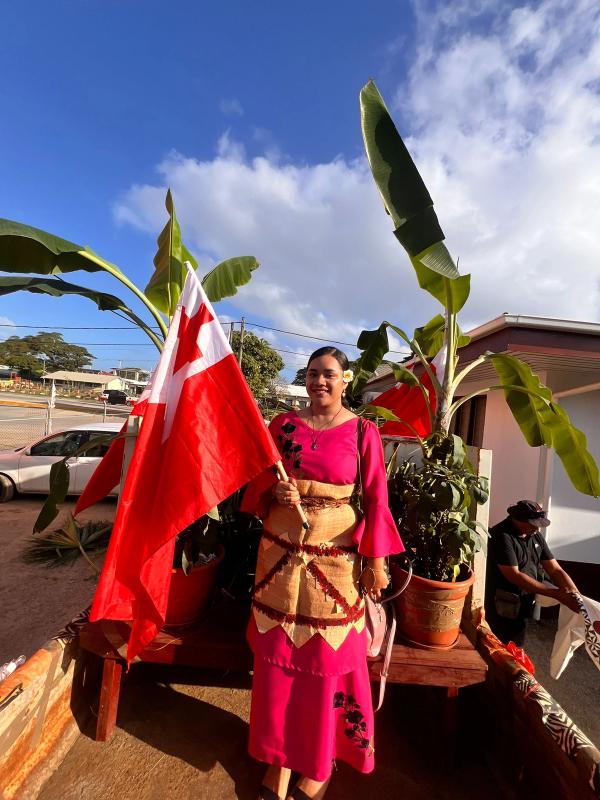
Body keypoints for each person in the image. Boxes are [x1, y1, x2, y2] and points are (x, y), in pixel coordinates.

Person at [241, 346, 404, 800]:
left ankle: (317, 763)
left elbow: (375, 498)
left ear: (346, 379)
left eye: (329, 374)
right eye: (313, 374)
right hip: (279, 560)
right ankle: (278, 761)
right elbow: (258, 478)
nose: (320, 382)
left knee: (326, 663)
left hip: (335, 564)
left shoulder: (363, 432)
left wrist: (375, 561)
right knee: (278, 663)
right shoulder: (284, 426)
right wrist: (274, 489)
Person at [485, 500, 580, 647]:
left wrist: (575, 593)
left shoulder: (535, 536)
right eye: (533, 524)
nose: (537, 529)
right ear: (518, 519)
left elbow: (555, 569)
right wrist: (557, 594)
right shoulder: (502, 536)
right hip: (502, 604)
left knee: (516, 645)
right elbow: (514, 575)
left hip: (524, 602)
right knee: (498, 646)